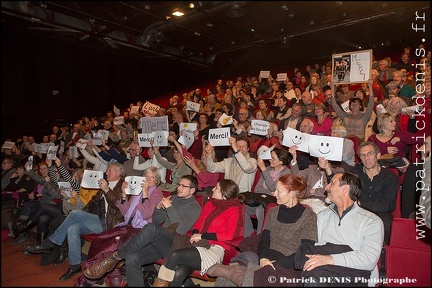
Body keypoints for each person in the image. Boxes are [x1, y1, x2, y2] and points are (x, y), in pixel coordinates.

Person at [82, 175, 202, 287]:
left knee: (150, 228)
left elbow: (181, 229)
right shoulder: (174, 198)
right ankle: (117, 259)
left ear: (192, 190)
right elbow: (156, 220)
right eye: (179, 184)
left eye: (183, 186)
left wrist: (169, 207)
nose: (179, 188)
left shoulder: (194, 207)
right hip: (160, 242)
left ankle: (114, 258)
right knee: (132, 258)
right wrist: (159, 209)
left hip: (175, 244)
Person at [206, 174, 319, 287]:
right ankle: (235, 272)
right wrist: (263, 259)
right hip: (264, 255)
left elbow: (305, 252)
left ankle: (237, 274)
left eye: (278, 191)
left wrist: (274, 264)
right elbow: (264, 239)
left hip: (288, 262)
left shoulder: (309, 217)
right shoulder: (273, 211)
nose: (274, 194)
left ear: (291, 194)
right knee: (242, 260)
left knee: (270, 276)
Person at [25, 162, 125, 281]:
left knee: (75, 213)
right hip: (98, 220)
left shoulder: (123, 185)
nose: (106, 172)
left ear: (118, 173)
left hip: (110, 224)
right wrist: (85, 214)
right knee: (73, 228)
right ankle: (75, 265)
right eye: (107, 170)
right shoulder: (104, 185)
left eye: (110, 170)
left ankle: (50, 243)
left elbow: (119, 205)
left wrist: (107, 190)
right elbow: (92, 201)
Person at [75, 166, 163, 287]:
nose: (148, 179)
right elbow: (125, 212)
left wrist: (145, 193)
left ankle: (95, 278)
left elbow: (146, 214)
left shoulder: (157, 193)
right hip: (128, 225)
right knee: (100, 239)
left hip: (143, 229)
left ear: (156, 180)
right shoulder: (137, 190)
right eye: (146, 176)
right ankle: (100, 277)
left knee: (114, 245)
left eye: (151, 177)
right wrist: (123, 194)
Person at [152, 179, 244, 287]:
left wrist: (202, 236)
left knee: (175, 255)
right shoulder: (210, 204)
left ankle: (159, 284)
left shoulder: (233, 209)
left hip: (213, 249)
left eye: (216, 188)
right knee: (178, 273)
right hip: (198, 244)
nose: (213, 189)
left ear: (224, 194)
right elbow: (198, 224)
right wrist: (195, 234)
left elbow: (228, 235)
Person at [204, 135, 257, 236]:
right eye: (238, 146)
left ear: (248, 149)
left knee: (238, 210)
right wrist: (209, 154)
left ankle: (245, 237)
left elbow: (246, 167)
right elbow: (212, 168)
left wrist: (236, 149)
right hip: (227, 196)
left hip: (242, 197)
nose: (240, 148)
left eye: (243, 146)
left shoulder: (252, 162)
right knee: (210, 203)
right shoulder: (228, 161)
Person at [349, 142, 398, 245]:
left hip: (382, 213)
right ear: (360, 158)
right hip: (358, 212)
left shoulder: (390, 177)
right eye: (362, 155)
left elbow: (389, 204)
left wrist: (361, 203)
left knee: (386, 225)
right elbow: (341, 187)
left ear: (378, 155)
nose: (366, 158)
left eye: (370, 153)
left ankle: (384, 256)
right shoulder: (354, 174)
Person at [249, 148, 291, 233]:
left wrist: (263, 170)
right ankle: (247, 235)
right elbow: (257, 189)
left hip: (274, 201)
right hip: (261, 199)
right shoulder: (268, 169)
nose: (269, 160)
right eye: (270, 157)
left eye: (273, 158)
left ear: (281, 162)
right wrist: (269, 193)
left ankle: (260, 235)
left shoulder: (286, 173)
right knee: (244, 207)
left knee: (260, 210)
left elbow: (274, 189)